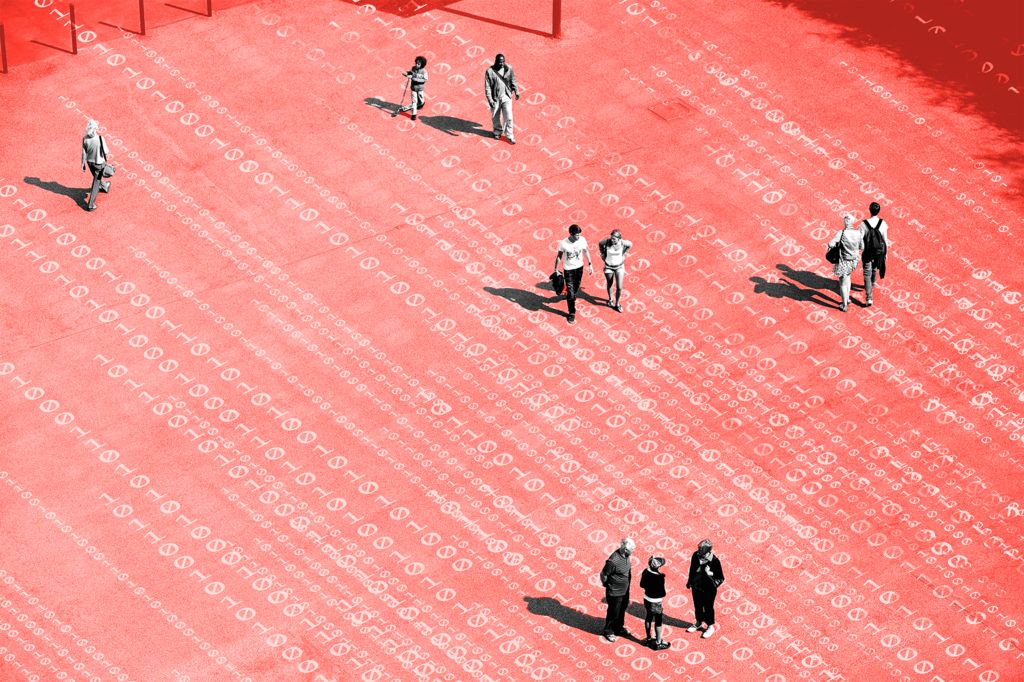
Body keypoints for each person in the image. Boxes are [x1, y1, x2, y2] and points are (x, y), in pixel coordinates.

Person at [553, 224, 593, 324]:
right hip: (568, 270)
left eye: (580, 235)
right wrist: (556, 269)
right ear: (571, 234)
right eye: (577, 235)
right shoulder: (564, 243)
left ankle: (570, 295)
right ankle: (572, 313)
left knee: (575, 288)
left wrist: (590, 264)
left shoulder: (582, 240)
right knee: (571, 293)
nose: (578, 237)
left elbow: (585, 251)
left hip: (579, 268)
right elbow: (559, 256)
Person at [686, 539, 724, 639]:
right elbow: (692, 569)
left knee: (708, 608)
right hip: (697, 586)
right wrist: (690, 581)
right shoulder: (695, 555)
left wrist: (710, 573)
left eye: (701, 548)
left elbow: (720, 578)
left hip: (709, 589)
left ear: (707, 550)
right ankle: (698, 622)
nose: (698, 549)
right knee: (697, 606)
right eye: (699, 548)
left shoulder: (715, 561)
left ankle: (710, 626)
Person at [599, 537, 634, 642]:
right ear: (625, 549)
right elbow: (603, 574)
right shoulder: (613, 561)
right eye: (631, 550)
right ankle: (608, 631)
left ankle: (618, 628)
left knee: (622, 609)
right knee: (613, 612)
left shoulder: (626, 555)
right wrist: (607, 585)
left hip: (625, 590)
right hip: (615, 592)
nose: (632, 552)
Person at [827, 214, 864, 311]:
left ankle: (844, 305)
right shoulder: (858, 233)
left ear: (845, 222)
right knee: (848, 277)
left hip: (843, 260)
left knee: (842, 283)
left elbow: (830, 243)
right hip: (854, 260)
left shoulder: (841, 233)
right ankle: (847, 299)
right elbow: (862, 247)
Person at [484, 53, 519, 144]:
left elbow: (513, 80)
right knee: (495, 117)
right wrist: (490, 100)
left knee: (509, 117)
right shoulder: (490, 71)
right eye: (500, 62)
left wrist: (516, 91)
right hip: (495, 98)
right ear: (496, 61)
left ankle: (510, 135)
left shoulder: (508, 68)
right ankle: (497, 131)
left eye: (503, 62)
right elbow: (487, 87)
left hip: (506, 96)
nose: (502, 64)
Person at [861, 202, 890, 307]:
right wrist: (886, 253)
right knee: (874, 269)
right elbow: (885, 240)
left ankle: (869, 298)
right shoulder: (883, 223)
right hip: (879, 252)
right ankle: (872, 284)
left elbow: (861, 240)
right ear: (879, 211)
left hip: (868, 252)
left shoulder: (863, 224)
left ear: (869, 210)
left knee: (866, 274)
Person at [640, 556, 671, 650]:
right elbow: (663, 593)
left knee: (648, 617)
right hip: (656, 602)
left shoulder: (645, 571)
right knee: (658, 621)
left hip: (646, 599)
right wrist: (661, 577)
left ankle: (649, 638)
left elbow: (642, 584)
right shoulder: (659, 577)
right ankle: (658, 642)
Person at [598, 230, 632, 312]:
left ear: (619, 239)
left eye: (614, 239)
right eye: (611, 238)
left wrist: (625, 254)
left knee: (619, 287)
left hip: (619, 267)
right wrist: (602, 254)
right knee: (610, 284)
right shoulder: (607, 242)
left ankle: (617, 304)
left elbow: (630, 244)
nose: (612, 240)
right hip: (608, 267)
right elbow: (600, 243)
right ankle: (610, 300)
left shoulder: (623, 243)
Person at [81, 120, 111, 212]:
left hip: (90, 163)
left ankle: (105, 186)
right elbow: (106, 152)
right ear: (95, 129)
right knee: (96, 183)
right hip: (99, 164)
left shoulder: (85, 138)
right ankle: (90, 204)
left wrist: (82, 164)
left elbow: (84, 152)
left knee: (96, 176)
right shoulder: (100, 139)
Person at [397, 56, 428, 121]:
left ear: (422, 65)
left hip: (420, 89)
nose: (416, 65)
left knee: (421, 100)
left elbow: (424, 80)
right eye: (416, 63)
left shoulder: (424, 71)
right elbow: (411, 73)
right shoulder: (413, 68)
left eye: (418, 64)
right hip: (413, 88)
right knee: (414, 102)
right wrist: (407, 73)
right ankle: (414, 114)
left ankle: (421, 104)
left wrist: (414, 79)